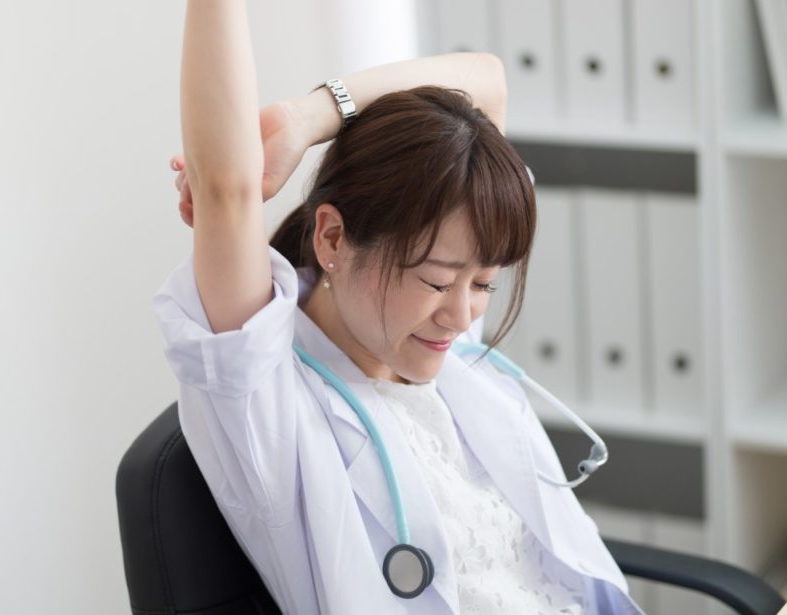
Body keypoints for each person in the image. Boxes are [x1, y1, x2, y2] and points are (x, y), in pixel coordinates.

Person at [152, 2, 644, 613]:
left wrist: (308, 117)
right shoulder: (275, 410)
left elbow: (485, 83)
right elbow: (225, 187)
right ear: (332, 240)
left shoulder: (431, 339)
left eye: (485, 284)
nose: (464, 316)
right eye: (438, 283)